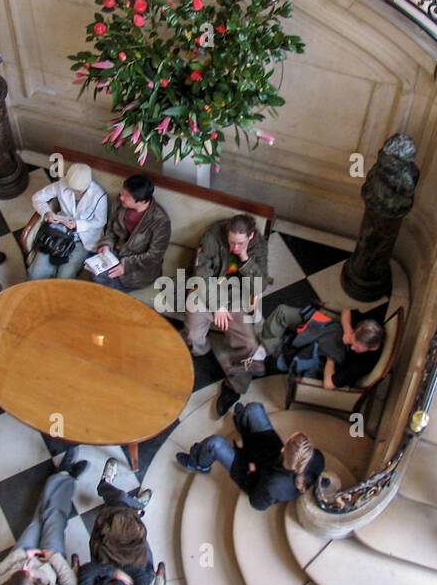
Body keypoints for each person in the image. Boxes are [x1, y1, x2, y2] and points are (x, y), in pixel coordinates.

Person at [217, 303, 386, 417]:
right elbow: (348, 311)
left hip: (325, 355)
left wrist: (331, 357)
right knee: (282, 312)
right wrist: (348, 332)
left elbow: (329, 383)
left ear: (370, 348)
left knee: (266, 356)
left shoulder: (363, 364)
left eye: (356, 347)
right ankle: (262, 353)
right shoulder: (370, 326)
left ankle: (235, 385)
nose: (352, 345)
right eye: (353, 341)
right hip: (327, 329)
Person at [0, 449, 85, 585]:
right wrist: (54, 557)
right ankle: (64, 477)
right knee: (54, 519)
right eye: (32, 577)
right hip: (51, 563)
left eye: (22, 573)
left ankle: (63, 477)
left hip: (24, 553)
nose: (27, 569)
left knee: (38, 519)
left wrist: (23, 555)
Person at [184, 214, 269, 409]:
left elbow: (261, 283)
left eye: (240, 244)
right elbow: (201, 274)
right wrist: (218, 305)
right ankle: (202, 354)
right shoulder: (212, 236)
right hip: (207, 290)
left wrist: (245, 258)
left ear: (251, 236)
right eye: (231, 243)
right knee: (193, 334)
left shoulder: (259, 245)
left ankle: (235, 385)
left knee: (248, 344)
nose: (234, 248)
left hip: (237, 295)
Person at [176, 402, 325, 512]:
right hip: (268, 454)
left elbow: (257, 503)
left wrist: (253, 471)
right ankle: (243, 423)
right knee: (254, 408)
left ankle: (199, 462)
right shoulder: (317, 458)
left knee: (214, 444)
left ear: (285, 448)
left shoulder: (275, 486)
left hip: (252, 474)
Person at [76, 503, 155, 585]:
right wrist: (122, 569)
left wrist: (113, 572)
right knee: (132, 534)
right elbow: (142, 576)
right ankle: (129, 507)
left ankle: (124, 503)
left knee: (103, 529)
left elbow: (86, 571)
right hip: (136, 568)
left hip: (105, 568)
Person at [89, 174, 172, 292]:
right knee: (92, 269)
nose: (121, 197)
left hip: (138, 267)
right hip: (116, 253)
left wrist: (126, 266)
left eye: (126, 196)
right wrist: (106, 244)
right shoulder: (120, 204)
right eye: (122, 192)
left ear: (142, 201)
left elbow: (154, 256)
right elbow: (111, 229)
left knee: (100, 281)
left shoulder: (160, 221)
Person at [28, 162, 108, 280]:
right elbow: (37, 198)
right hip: (59, 233)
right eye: (73, 190)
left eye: (80, 191)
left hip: (83, 239)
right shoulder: (61, 184)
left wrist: (78, 225)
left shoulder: (99, 195)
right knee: (36, 273)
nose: (76, 193)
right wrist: (47, 212)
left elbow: (101, 221)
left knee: (64, 277)